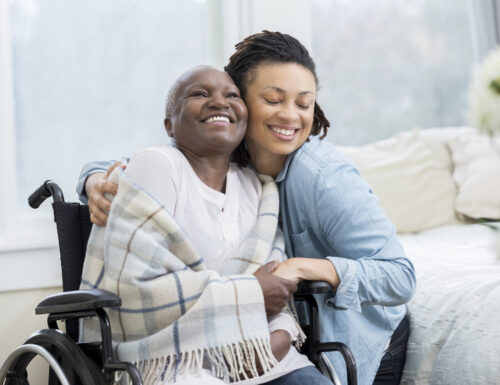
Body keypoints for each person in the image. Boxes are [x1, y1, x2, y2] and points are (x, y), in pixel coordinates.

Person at [78, 32, 416, 385]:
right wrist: (94, 178)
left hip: (356, 337)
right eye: (273, 99)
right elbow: (146, 162)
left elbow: (401, 276)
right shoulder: (227, 156)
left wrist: (300, 267)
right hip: (240, 335)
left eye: (304, 104)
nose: (290, 116)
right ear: (244, 102)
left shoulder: (323, 177)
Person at [80, 65, 332, 385]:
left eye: (232, 95)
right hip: (176, 360)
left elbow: (275, 288)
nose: (219, 102)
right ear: (169, 125)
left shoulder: (257, 187)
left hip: (258, 351)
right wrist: (249, 292)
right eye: (199, 94)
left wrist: (275, 340)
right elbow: (138, 289)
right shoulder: (159, 165)